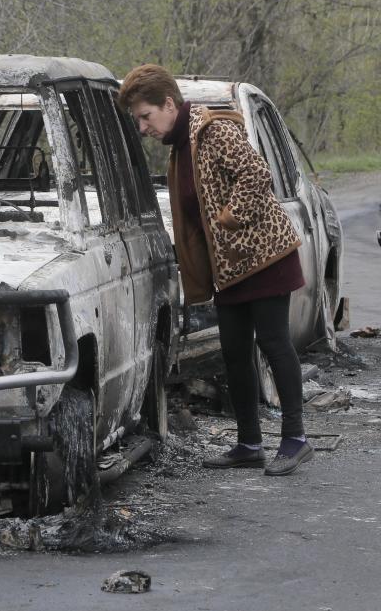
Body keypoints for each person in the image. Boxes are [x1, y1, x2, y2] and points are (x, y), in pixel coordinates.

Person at [119, 64, 313, 476]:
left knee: (274, 344)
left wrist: (229, 218)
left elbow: (256, 175)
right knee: (235, 352)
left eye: (145, 116)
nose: (142, 127)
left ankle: (295, 439)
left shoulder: (212, 131)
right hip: (231, 268)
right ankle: (249, 443)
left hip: (265, 257)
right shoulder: (180, 147)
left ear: (168, 104)